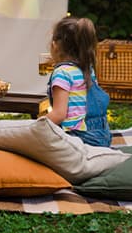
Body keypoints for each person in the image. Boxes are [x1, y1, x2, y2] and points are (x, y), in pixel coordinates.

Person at [45, 16, 112, 147]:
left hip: (78, 139)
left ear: (55, 45)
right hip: (102, 136)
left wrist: (33, 126)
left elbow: (58, 115)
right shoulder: (87, 68)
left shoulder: (62, 72)